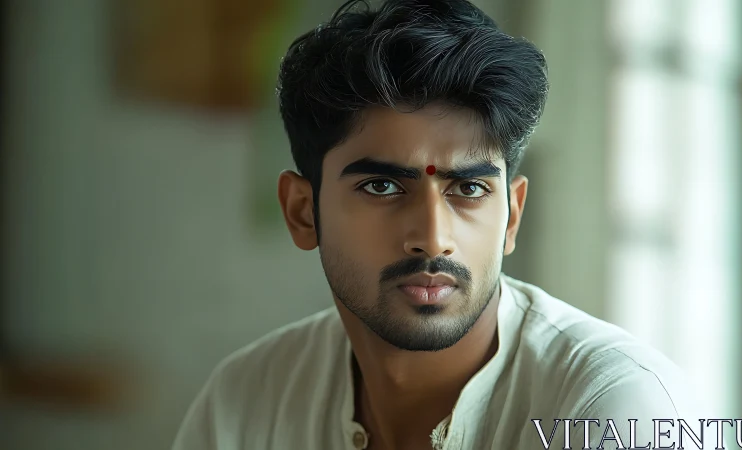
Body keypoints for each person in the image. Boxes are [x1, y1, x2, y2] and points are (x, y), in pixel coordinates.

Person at [172, 0, 708, 449]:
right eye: (381, 187)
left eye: (469, 190)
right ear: (301, 211)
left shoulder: (615, 410)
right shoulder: (245, 404)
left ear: (512, 215)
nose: (432, 238)